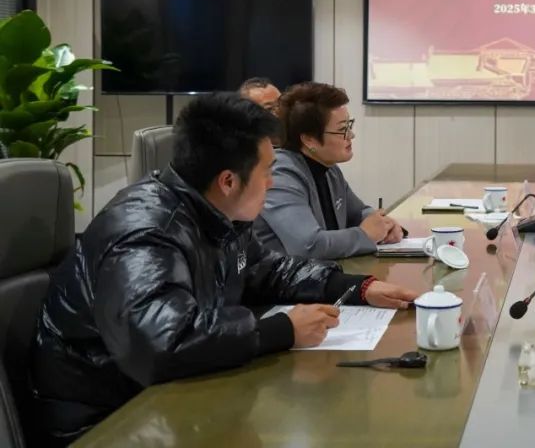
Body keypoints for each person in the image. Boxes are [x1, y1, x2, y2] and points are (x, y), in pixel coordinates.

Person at [30, 93, 419, 443]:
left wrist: (357, 287)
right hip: (109, 422)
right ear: (229, 181)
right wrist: (281, 330)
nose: (273, 183)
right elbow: (163, 344)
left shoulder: (218, 212)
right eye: (267, 172)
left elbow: (267, 270)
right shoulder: (146, 233)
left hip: (166, 399)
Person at [255, 82, 404, 260]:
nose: (351, 135)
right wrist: (366, 234)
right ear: (309, 139)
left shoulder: (329, 168)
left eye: (349, 125)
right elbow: (309, 246)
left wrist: (384, 224)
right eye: (342, 130)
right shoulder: (280, 175)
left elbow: (358, 213)